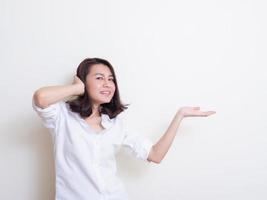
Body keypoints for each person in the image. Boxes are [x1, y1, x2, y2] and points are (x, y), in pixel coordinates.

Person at [32, 57, 216, 200]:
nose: (107, 84)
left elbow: (155, 155)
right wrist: (76, 88)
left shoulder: (115, 125)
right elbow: (40, 98)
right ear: (83, 82)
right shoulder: (62, 116)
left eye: (111, 79)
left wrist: (179, 115)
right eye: (99, 78)